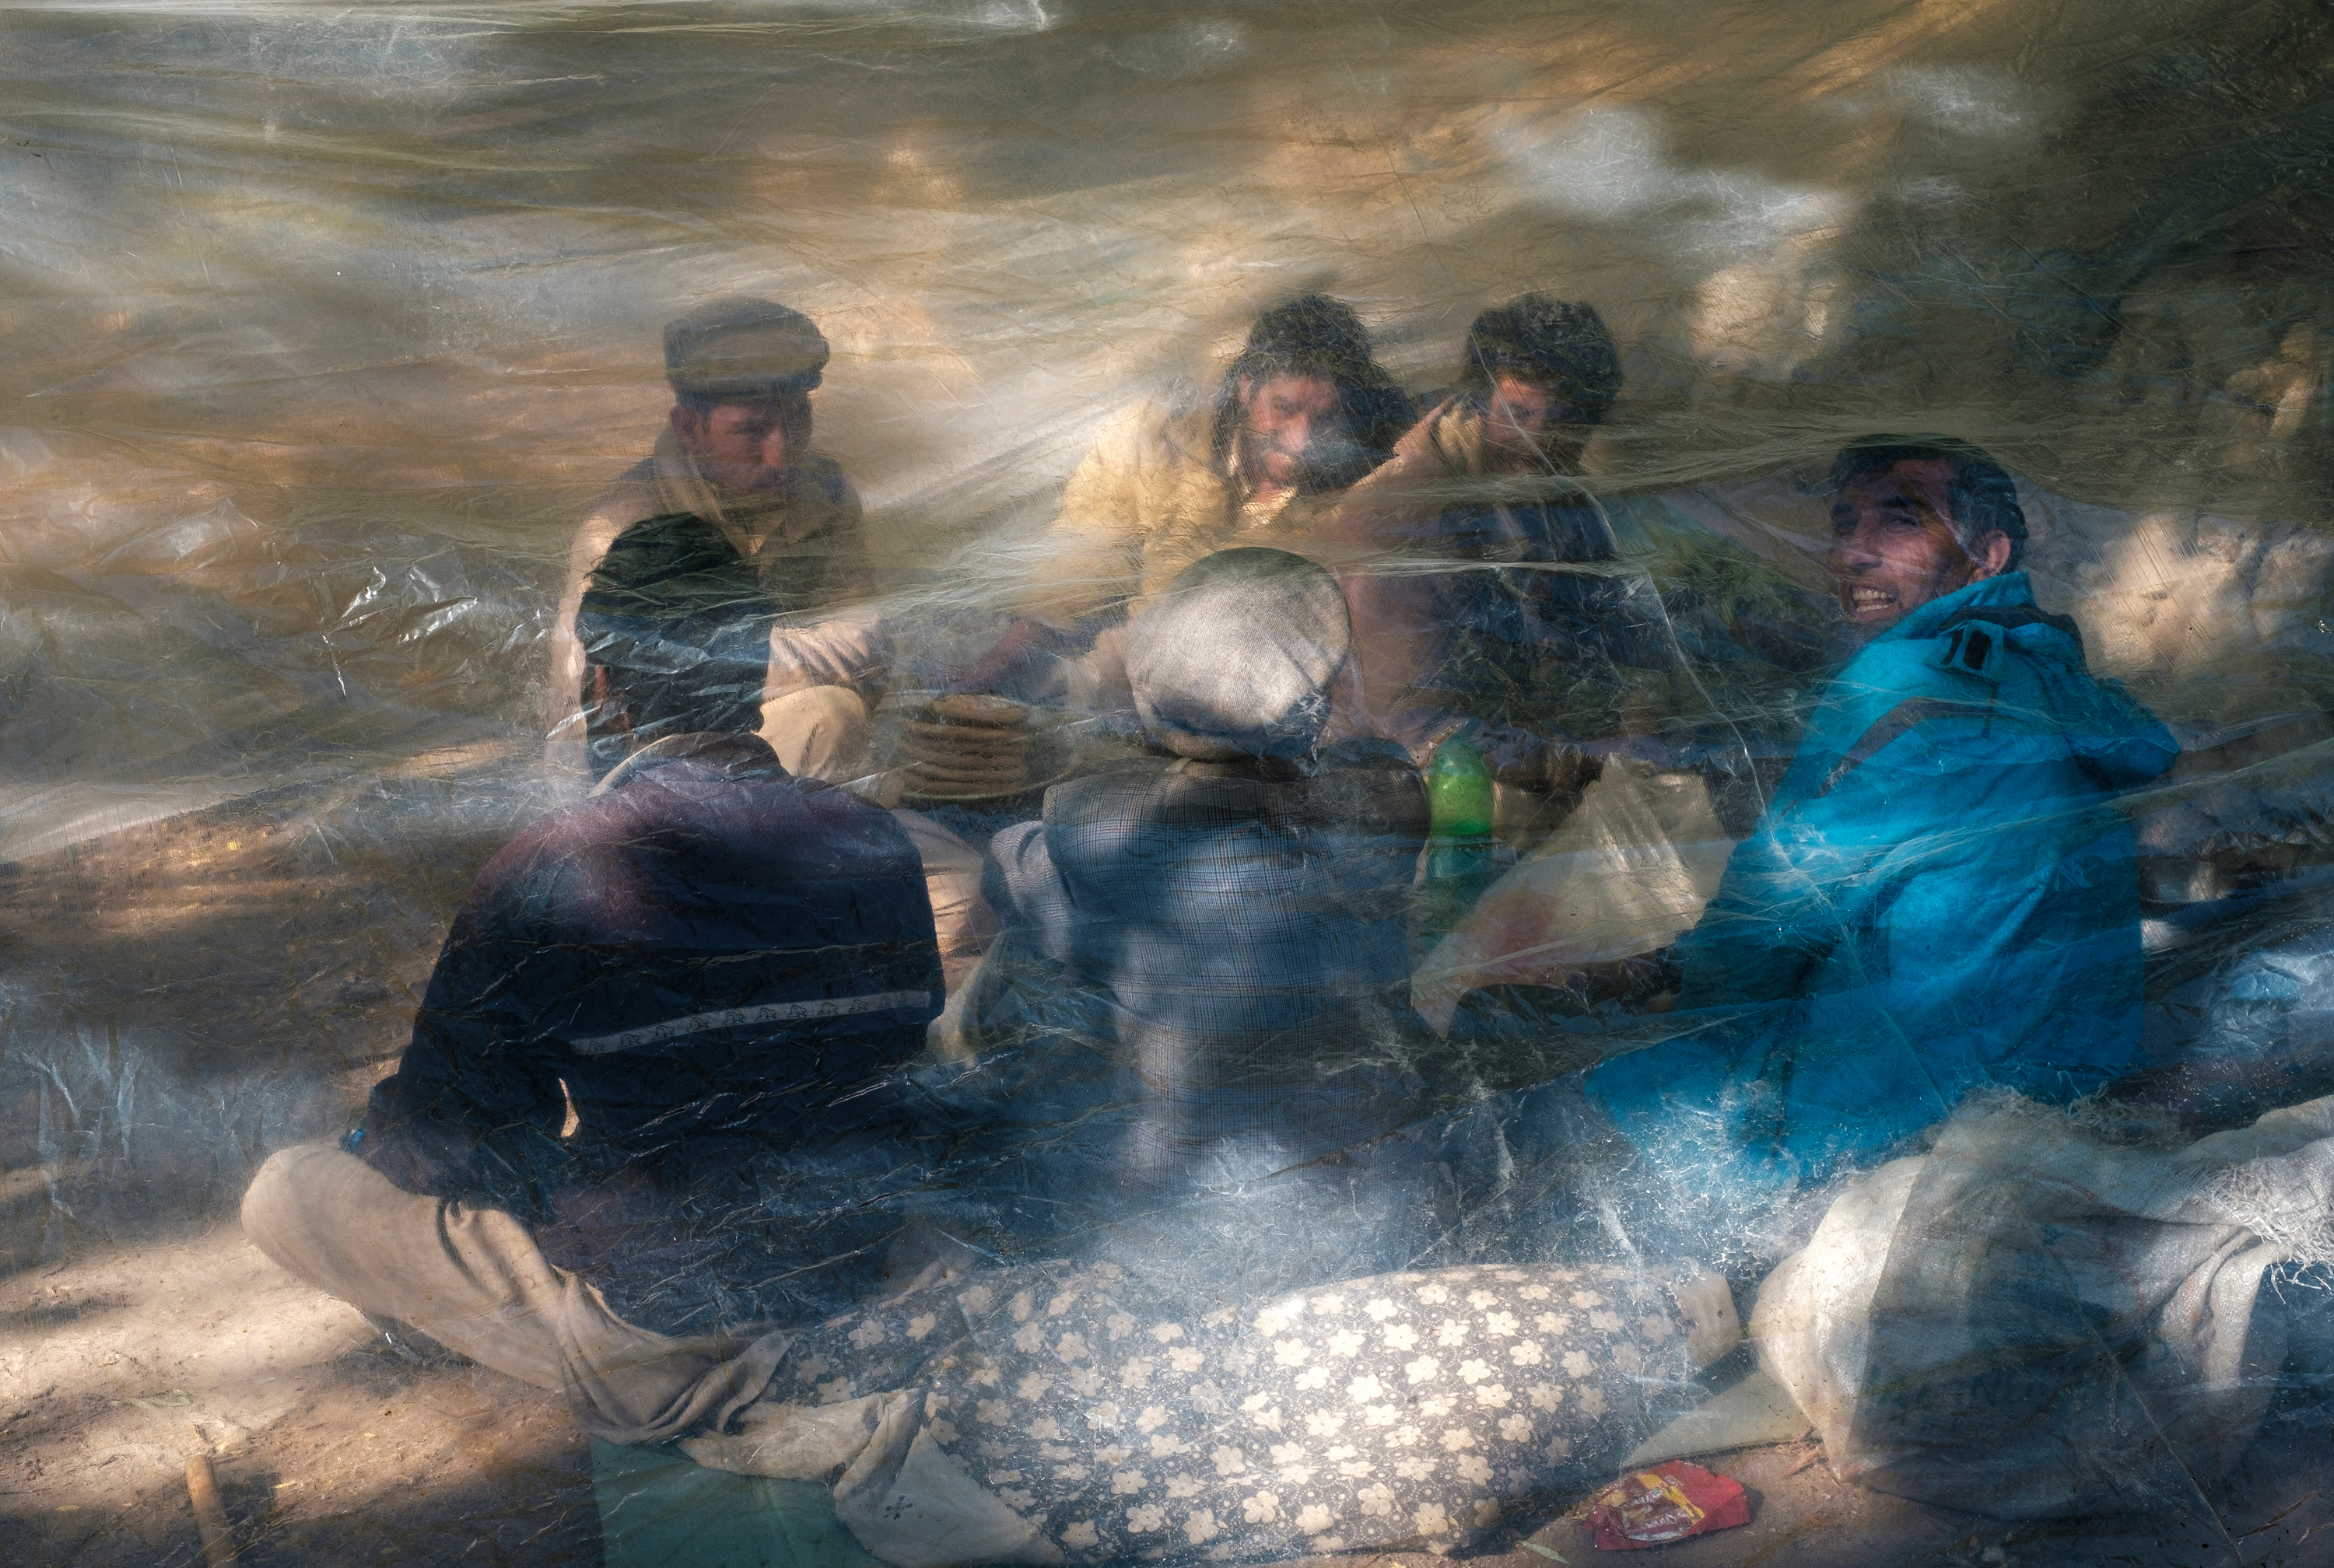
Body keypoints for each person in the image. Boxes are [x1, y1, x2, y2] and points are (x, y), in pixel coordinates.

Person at [244, 515, 955, 1437]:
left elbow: (461, 1146)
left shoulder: (550, 869)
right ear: (751, 677)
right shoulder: (875, 840)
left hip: (672, 1347)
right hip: (865, 1286)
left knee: (288, 1190)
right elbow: (895, 1066)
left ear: (605, 687)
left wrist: (377, 1146)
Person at [1579, 436, 2181, 1210]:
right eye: (1842, 525)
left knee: (1580, 1111)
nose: (1852, 554)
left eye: (1899, 523)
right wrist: (1667, 963)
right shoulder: (2045, 679)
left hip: (1913, 1099)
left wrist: (1683, 1010)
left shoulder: (1910, 679)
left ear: (1986, 555)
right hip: (2061, 1078)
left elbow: (1775, 910)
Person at [960, 548, 1434, 1200]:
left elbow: (998, 881)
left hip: (1155, 1202)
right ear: (1318, 706)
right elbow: (1376, 774)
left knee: (1018, 951)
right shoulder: (1367, 838)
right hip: (1338, 1201)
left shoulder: (1081, 832)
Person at [961, 293, 1413, 707]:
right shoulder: (1163, 437)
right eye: (1284, 408)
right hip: (1120, 666)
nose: (1301, 441)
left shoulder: (1365, 491)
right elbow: (1085, 548)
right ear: (1246, 388)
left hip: (1235, 704)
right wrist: (1009, 656)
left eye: (1326, 417)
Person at [1324, 296, 1663, 838]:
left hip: (1531, 749)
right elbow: (1411, 720)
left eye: (1567, 419)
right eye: (1520, 414)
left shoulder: (1568, 506)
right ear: (1479, 403)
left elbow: (1614, 628)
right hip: (1395, 789)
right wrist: (1571, 761)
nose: (1539, 441)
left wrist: (1641, 706)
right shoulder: (1407, 512)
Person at [548, 296, 884, 784]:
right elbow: (605, 709)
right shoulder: (621, 529)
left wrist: (711, 655)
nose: (780, 456)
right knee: (828, 717)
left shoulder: (825, 490)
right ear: (689, 428)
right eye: (752, 432)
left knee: (834, 719)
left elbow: (869, 648)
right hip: (653, 773)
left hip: (756, 742)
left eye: (797, 420)